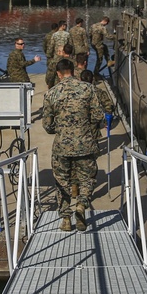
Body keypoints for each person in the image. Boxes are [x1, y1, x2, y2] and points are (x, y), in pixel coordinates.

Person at [43, 58, 104, 232]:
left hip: (62, 147)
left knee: (62, 181)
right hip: (85, 144)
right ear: (73, 71)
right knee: (87, 179)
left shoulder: (51, 94)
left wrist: (61, 129)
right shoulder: (88, 89)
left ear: (58, 74)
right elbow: (99, 116)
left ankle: (65, 220)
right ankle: (81, 207)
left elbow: (47, 126)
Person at [79, 70, 113, 141]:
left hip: (78, 121)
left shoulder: (75, 92)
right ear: (92, 79)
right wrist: (107, 122)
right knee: (93, 141)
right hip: (93, 122)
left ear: (80, 79)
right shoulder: (98, 92)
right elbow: (108, 106)